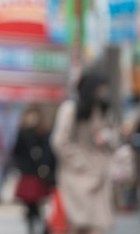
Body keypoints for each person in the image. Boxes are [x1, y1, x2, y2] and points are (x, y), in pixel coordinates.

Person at [50, 70, 117, 234]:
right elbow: (59, 141)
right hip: (75, 176)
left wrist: (106, 137)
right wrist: (82, 162)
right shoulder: (70, 109)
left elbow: (115, 134)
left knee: (95, 226)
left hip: (98, 176)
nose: (102, 92)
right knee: (75, 225)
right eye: (100, 87)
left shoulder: (104, 110)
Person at [12, 104, 56, 234]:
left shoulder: (43, 132)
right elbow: (17, 151)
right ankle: (32, 223)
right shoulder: (23, 132)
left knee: (37, 202)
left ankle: (39, 223)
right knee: (29, 202)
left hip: (39, 172)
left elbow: (48, 150)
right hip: (27, 172)